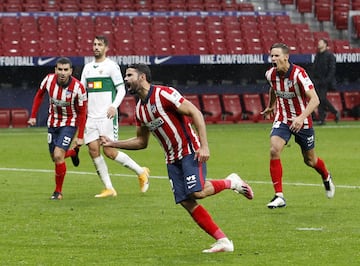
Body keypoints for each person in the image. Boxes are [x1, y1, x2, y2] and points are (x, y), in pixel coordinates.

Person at [100, 63, 254, 253]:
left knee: (196, 192)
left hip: (189, 150)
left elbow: (195, 112)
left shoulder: (164, 94)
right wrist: (113, 143)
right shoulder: (139, 110)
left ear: (142, 77)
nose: (125, 79)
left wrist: (204, 145)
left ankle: (232, 182)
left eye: (129, 75)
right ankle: (223, 241)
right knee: (186, 201)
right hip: (171, 159)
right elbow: (142, 142)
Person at [261, 43, 335, 209]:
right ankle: (279, 195)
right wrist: (271, 105)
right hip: (283, 118)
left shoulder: (299, 74)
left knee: (310, 160)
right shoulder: (270, 74)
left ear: (286, 57)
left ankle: (326, 176)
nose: (273, 59)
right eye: (271, 55)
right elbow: (273, 89)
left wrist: (301, 118)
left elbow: (315, 99)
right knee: (274, 150)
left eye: (276, 56)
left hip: (303, 121)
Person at [80, 36, 150, 198]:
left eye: (100, 45)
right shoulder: (87, 68)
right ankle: (109, 188)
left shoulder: (111, 66)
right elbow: (82, 91)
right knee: (93, 149)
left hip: (107, 116)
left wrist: (113, 106)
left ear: (106, 48)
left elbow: (121, 89)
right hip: (91, 116)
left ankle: (141, 172)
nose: (96, 47)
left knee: (109, 151)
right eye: (94, 44)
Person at [28, 57, 87, 200]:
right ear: (55, 70)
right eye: (60, 69)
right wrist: (33, 115)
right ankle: (72, 153)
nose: (62, 73)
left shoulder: (78, 88)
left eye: (66, 70)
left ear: (71, 71)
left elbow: (83, 112)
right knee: (54, 157)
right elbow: (39, 95)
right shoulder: (48, 80)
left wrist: (80, 136)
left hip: (69, 123)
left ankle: (58, 192)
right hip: (53, 123)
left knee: (59, 155)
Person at [312, 39, 340, 125]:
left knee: (322, 98)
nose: (318, 44)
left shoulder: (330, 55)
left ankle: (334, 112)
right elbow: (314, 68)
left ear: (325, 44)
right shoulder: (317, 55)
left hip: (325, 81)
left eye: (320, 42)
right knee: (319, 99)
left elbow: (332, 69)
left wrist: (327, 80)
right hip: (317, 81)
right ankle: (322, 119)